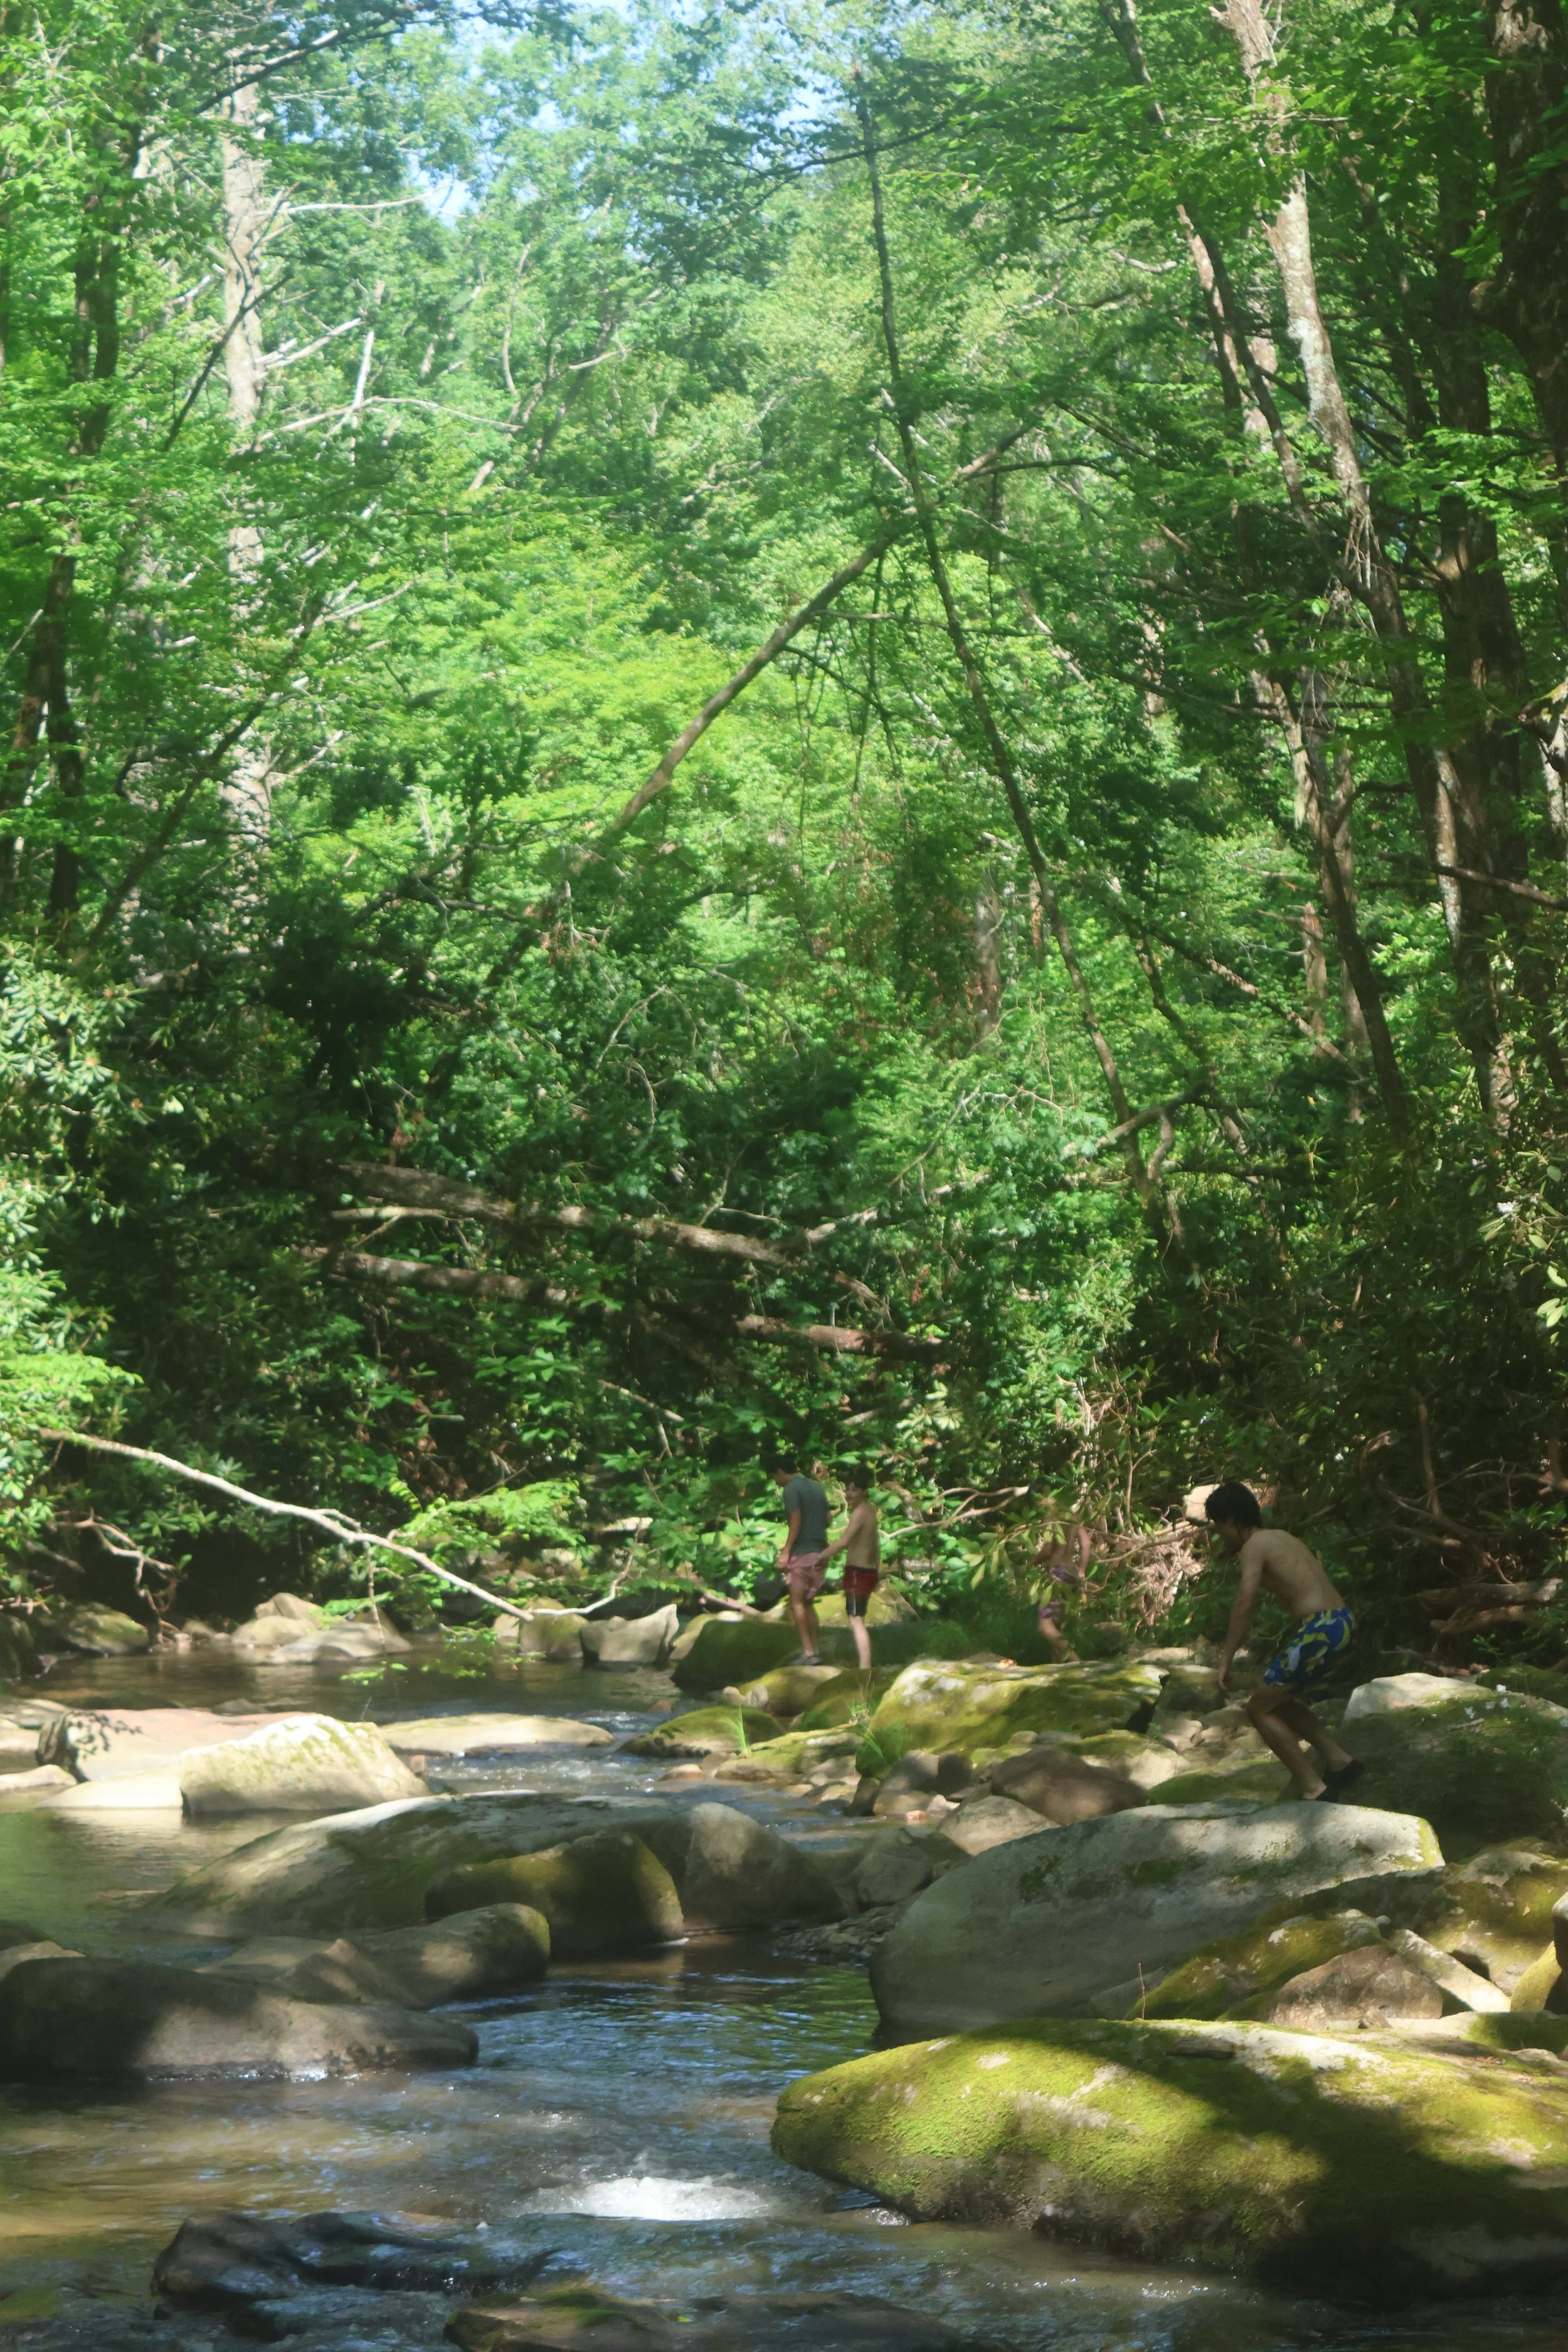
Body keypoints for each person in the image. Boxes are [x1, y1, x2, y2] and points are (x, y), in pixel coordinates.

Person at [1205, 1479, 1362, 1802]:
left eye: (1217, 1525)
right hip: (1341, 1622)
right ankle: (1340, 1761)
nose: (1217, 1532)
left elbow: (1244, 1602)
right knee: (1275, 1698)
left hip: (1321, 1628)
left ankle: (1314, 1788)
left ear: (1231, 1519)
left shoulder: (1254, 1546)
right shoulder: (1281, 1537)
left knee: (1258, 1710)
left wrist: (1225, 1660)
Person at [773, 1459, 832, 1664]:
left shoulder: (791, 1489)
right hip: (821, 1552)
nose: (775, 1481)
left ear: (780, 1470)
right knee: (808, 1603)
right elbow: (828, 1519)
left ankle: (808, 1653)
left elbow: (795, 1521)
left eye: (774, 1476)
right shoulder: (816, 1487)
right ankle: (816, 1652)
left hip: (802, 1553)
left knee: (796, 1602)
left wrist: (786, 1552)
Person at [823, 1470, 881, 1669]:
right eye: (847, 1490)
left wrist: (819, 1557)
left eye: (854, 1490)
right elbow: (876, 1545)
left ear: (864, 1491)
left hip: (858, 1572)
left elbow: (844, 1541)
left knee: (856, 1621)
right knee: (857, 1619)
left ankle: (865, 1667)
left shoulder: (860, 1513)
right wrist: (877, 1571)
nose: (849, 1494)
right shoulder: (871, 1511)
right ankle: (865, 1665)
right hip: (868, 1570)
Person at [1035, 1522, 1093, 1661]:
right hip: (1071, 1572)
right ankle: (1058, 1668)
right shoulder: (1075, 1518)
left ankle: (1077, 1663)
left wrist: (1029, 1564)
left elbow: (1047, 1550)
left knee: (1045, 1626)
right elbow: (1086, 1544)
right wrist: (1082, 1570)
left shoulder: (1054, 1518)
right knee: (1057, 1627)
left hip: (1058, 1572)